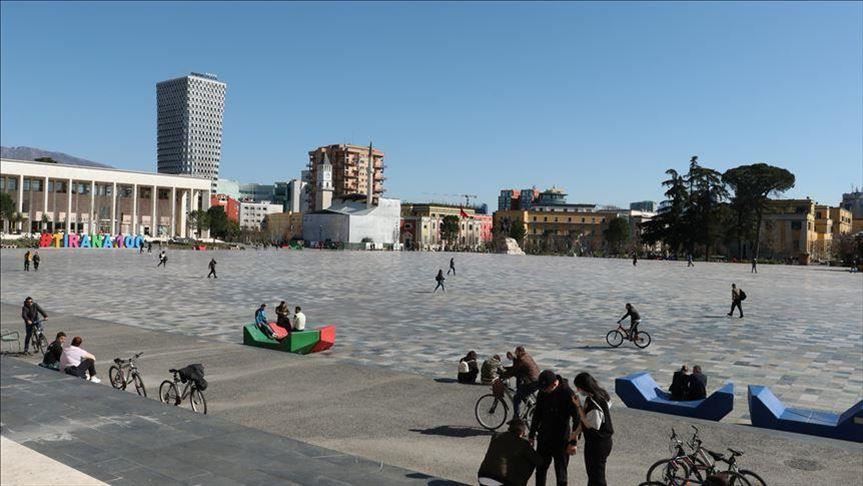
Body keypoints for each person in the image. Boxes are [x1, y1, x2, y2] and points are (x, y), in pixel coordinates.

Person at [529, 370, 579, 486]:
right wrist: (531, 434)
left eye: (545, 388)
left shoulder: (568, 393)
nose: (543, 391)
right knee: (540, 469)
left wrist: (573, 442)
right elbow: (537, 414)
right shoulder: (543, 391)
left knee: (561, 472)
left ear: (554, 384)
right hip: (544, 437)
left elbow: (577, 419)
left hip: (561, 439)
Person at [571, 372, 614, 486]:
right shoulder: (601, 394)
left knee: (596, 476)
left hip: (597, 444)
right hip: (604, 442)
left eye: (578, 387)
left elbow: (590, 424)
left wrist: (578, 406)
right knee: (594, 474)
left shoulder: (594, 405)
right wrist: (575, 433)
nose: (578, 390)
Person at [477, 418, 542, 486]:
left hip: (482, 476)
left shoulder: (496, 436)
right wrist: (530, 447)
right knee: (528, 461)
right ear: (521, 432)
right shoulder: (522, 443)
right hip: (499, 480)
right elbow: (538, 461)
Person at [500, 346, 540, 421]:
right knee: (521, 392)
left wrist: (503, 375)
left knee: (516, 398)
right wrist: (506, 369)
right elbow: (516, 368)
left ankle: (516, 417)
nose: (515, 353)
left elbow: (514, 370)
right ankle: (529, 407)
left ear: (519, 352)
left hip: (532, 382)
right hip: (536, 379)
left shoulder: (522, 360)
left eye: (516, 352)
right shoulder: (526, 355)